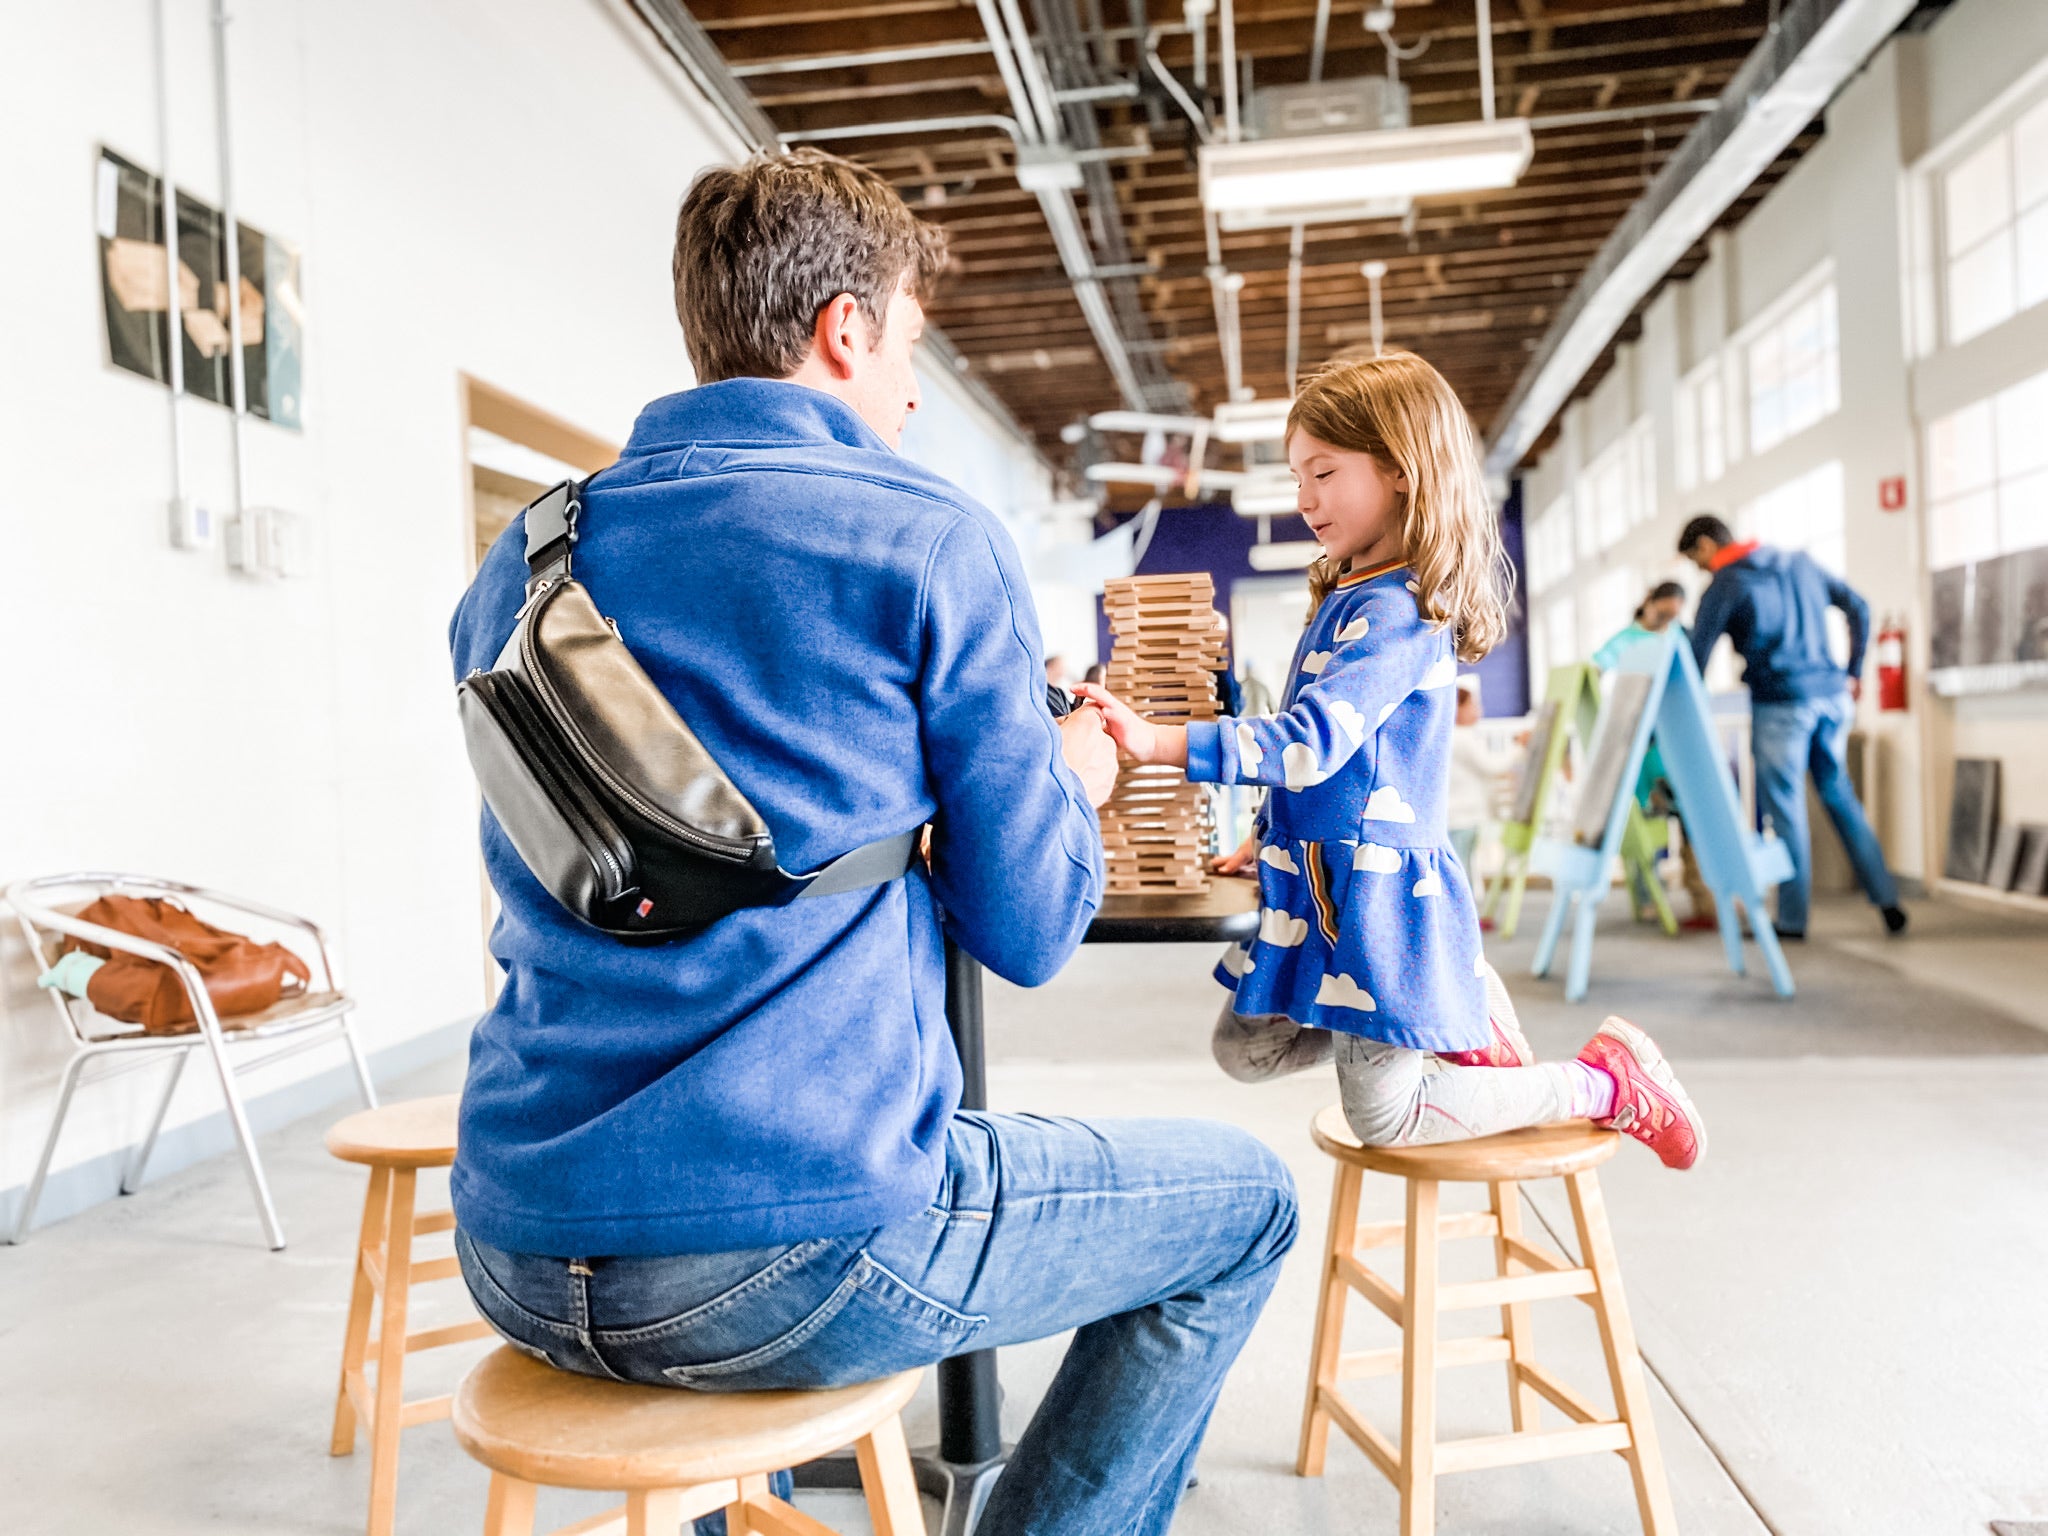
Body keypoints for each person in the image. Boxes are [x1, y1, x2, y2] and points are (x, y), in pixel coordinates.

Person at [448, 149, 1297, 1536]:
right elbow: (1027, 932)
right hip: (793, 1250)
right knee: (1248, 1202)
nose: (910, 387)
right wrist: (1072, 775)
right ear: (844, 327)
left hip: (516, 1237)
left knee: (743, 1234)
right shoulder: (923, 537)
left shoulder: (527, 558)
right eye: (908, 341)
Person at [1079, 353, 1706, 1171]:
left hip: (1375, 895)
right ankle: (1454, 1014)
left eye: (1323, 473)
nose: (1304, 499)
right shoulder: (1350, 591)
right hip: (1316, 882)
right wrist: (1264, 834)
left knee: (1386, 1118)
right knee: (1245, 1049)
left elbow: (1308, 741)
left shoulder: (1399, 606)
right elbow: (1336, 755)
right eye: (1297, 477)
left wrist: (1160, 740)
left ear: (1402, 472)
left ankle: (1605, 1083)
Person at [1678, 514, 1908, 941]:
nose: (1702, 569)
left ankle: (1792, 920)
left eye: (1697, 560)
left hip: (1780, 702)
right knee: (1840, 796)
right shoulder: (1800, 564)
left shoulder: (1726, 584)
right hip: (1832, 698)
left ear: (1707, 545)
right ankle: (1888, 902)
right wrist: (1853, 672)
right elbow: (1859, 606)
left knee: (1785, 809)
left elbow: (1696, 657)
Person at [1593, 581, 1718, 931]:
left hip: (1677, 743)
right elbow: (1597, 667)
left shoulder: (1679, 637)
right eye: (1662, 613)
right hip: (1642, 748)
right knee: (1645, 824)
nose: (1667, 622)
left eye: (1673, 616)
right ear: (1648, 602)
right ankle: (1649, 898)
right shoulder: (1625, 641)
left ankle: (1704, 902)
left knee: (1693, 823)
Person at [1446, 673, 1515, 871]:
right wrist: (1518, 747)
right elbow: (1492, 765)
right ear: (1456, 708)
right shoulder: (1462, 737)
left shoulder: (1456, 736)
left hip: (1458, 816)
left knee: (1463, 863)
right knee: (1462, 866)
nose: (1478, 711)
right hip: (1462, 816)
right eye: (1472, 705)